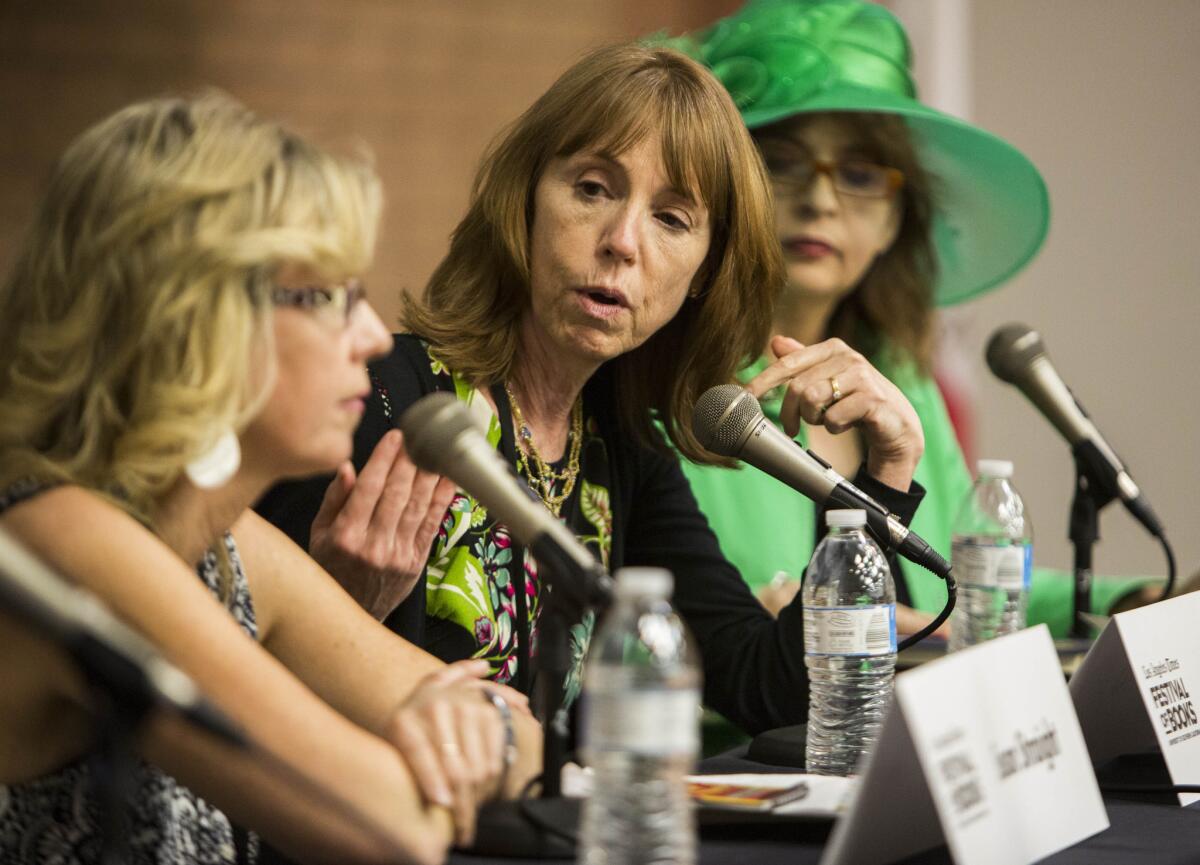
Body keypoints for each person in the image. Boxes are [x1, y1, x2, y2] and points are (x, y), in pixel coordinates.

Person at [257, 42, 929, 734]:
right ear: (526, 203)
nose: (622, 241)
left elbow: (773, 687)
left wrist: (885, 478)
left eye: (671, 218)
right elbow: (227, 690)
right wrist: (340, 606)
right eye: (592, 189)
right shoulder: (381, 399)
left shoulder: (620, 450)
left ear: (702, 272)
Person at [0, 93, 541, 865]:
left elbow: (527, 744)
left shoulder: (226, 543)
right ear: (197, 315)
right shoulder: (62, 539)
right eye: (330, 298)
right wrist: (439, 722)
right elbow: (390, 826)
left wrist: (466, 717)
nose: (367, 334)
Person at [665, 0, 1150, 635]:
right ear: (724, 185)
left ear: (895, 218)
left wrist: (1144, 598)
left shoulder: (902, 382)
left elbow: (974, 586)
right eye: (780, 162)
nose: (819, 200)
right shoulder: (682, 389)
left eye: (860, 173)